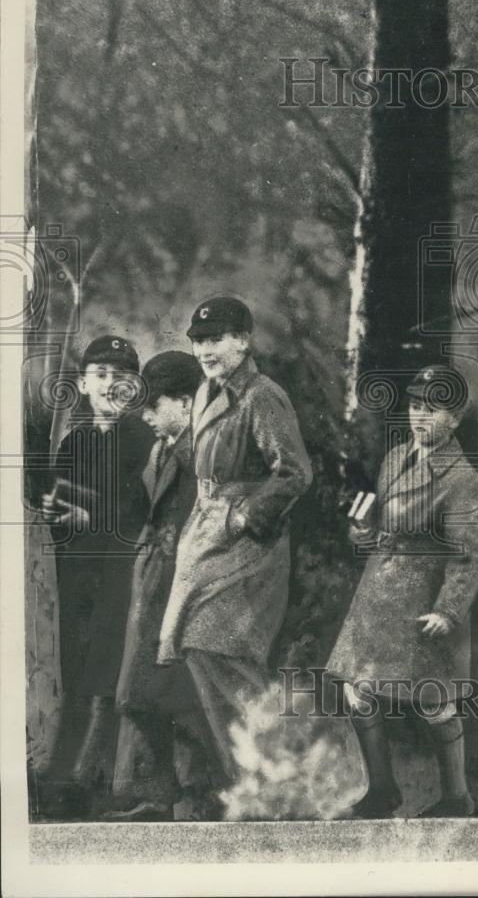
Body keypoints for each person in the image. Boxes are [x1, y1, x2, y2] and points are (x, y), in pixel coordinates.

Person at [157, 297, 313, 784]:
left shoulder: (261, 395)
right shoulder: (206, 392)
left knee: (225, 650)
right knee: (199, 651)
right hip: (206, 538)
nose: (205, 350)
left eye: (216, 339)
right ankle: (247, 784)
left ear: (243, 341)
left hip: (250, 546)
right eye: (199, 341)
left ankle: (289, 774)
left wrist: (244, 517)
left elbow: (294, 474)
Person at [327, 365, 478, 818]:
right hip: (378, 595)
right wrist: (363, 534)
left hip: (423, 600)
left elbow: (469, 552)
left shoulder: (462, 479)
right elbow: (384, 525)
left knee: (433, 698)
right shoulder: (396, 457)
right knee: (357, 690)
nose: (421, 417)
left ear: (455, 419)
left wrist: (449, 610)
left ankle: (457, 797)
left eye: (434, 410)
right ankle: (382, 790)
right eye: (416, 406)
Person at [39, 335, 155, 818]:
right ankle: (64, 776)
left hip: (124, 572)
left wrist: (96, 519)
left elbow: (145, 509)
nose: (110, 385)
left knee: (112, 672)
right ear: (84, 383)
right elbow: (63, 508)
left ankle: (101, 781)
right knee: (78, 669)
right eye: (101, 375)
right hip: (78, 573)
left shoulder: (143, 439)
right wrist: (54, 511)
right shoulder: (74, 440)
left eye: (121, 377)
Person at [109, 350, 223, 821]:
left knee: (189, 695)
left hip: (190, 585)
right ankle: (160, 794)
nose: (148, 416)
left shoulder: (204, 450)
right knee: (140, 692)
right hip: (157, 581)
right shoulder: (163, 448)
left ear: (184, 400)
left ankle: (206, 793)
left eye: (156, 405)